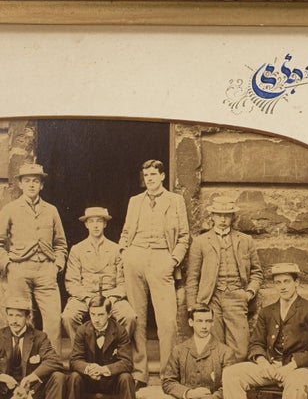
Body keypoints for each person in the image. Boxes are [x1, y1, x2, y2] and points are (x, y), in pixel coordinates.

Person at [119, 159, 191, 387]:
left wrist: (172, 261)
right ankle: (139, 373)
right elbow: (126, 231)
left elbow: (184, 237)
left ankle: (167, 374)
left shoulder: (175, 201)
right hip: (135, 257)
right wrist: (124, 253)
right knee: (137, 318)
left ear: (162, 176)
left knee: (167, 320)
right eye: (146, 174)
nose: (149, 178)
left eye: (153, 174)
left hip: (162, 258)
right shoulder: (134, 201)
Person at [222, 263, 308, 399]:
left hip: (299, 369)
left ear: (296, 282)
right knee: (231, 373)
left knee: (297, 384)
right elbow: (256, 343)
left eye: (287, 281)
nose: (283, 286)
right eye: (278, 282)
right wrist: (263, 363)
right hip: (270, 368)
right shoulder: (267, 312)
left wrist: (291, 366)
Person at [0, 163, 67, 354]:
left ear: (41, 185)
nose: (31, 185)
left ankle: (51, 365)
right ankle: (22, 364)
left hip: (46, 270)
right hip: (19, 270)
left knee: (54, 320)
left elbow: (61, 244)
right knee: (21, 318)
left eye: (35, 181)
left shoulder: (51, 210)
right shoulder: (10, 209)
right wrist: (8, 265)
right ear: (20, 184)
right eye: (27, 181)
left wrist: (57, 265)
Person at [186, 197, 263, 361]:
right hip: (210, 299)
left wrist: (249, 292)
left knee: (241, 348)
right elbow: (192, 278)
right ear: (212, 216)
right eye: (219, 215)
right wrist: (193, 307)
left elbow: (257, 272)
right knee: (213, 345)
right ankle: (216, 384)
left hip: (236, 296)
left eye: (227, 215)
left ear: (233, 217)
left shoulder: (245, 240)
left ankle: (235, 381)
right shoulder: (200, 242)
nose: (222, 219)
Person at [62, 206, 137, 342]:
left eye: (99, 221)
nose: (95, 225)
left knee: (129, 317)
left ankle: (116, 350)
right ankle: (81, 351)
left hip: (111, 296)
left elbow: (123, 282)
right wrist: (86, 298)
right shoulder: (77, 249)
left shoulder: (115, 249)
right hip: (85, 296)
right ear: (86, 224)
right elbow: (71, 282)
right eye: (91, 221)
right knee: (68, 317)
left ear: (105, 224)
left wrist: (112, 297)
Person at [161, 304, 236, 399]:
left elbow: (230, 385)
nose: (204, 326)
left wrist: (213, 397)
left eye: (208, 321)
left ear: (213, 322)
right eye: (199, 321)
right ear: (191, 322)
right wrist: (187, 393)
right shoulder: (179, 350)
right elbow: (168, 382)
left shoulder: (225, 352)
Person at [68, 295, 135, 399]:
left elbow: (127, 362)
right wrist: (89, 369)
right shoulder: (82, 330)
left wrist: (104, 369)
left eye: (100, 315)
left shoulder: (120, 331)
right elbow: (74, 360)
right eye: (93, 314)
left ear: (109, 314)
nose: (96, 320)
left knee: (126, 377)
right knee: (74, 377)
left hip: (111, 381)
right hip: (89, 381)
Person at [0, 297, 67, 399]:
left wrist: (30, 378)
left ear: (28, 317)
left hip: (31, 390)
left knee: (58, 377)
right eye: (11, 315)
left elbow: (54, 360)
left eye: (19, 316)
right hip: (5, 390)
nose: (14, 320)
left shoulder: (39, 337)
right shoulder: (1, 335)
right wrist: (3, 377)